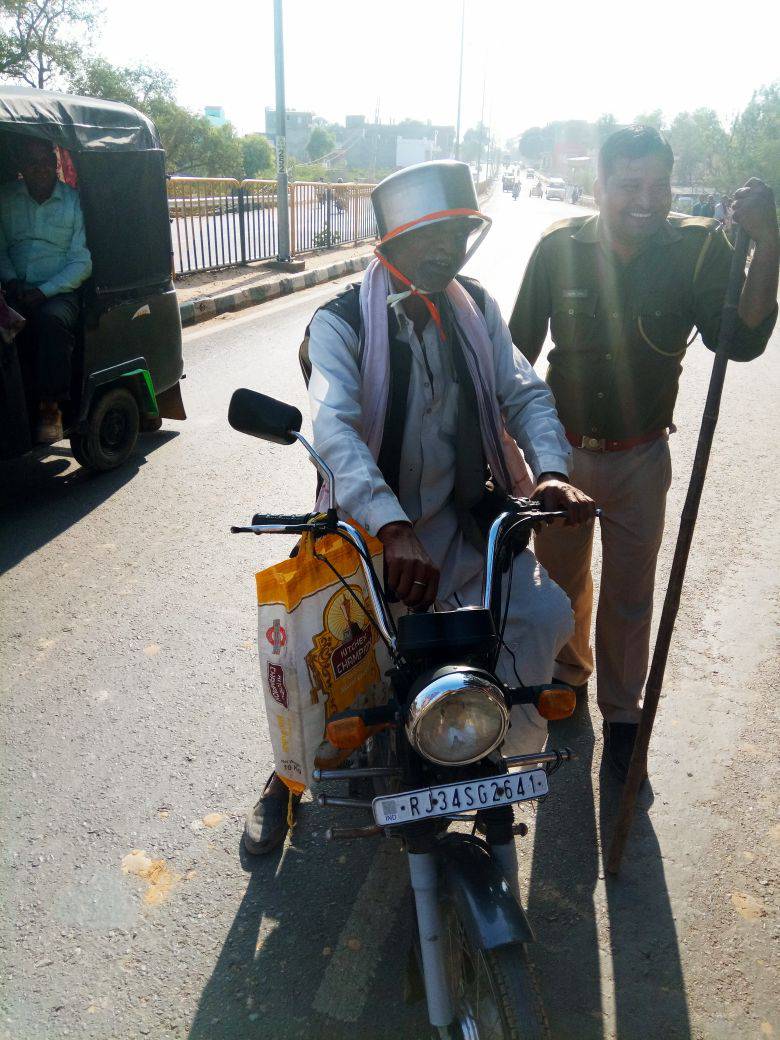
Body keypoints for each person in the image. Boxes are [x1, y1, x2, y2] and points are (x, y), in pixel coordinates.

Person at [244, 159, 596, 854]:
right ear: (391, 243)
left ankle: (486, 761)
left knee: (543, 615)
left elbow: (522, 393)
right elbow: (336, 430)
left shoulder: (477, 308)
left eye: (459, 231)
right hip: (372, 537)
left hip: (465, 529)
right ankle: (284, 783)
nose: (447, 248)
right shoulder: (343, 322)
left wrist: (550, 472)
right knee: (331, 672)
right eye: (430, 234)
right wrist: (392, 524)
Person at [508, 125, 778, 781]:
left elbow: (739, 341)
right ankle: (568, 674)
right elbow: (513, 353)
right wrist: (514, 458)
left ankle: (623, 716)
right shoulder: (557, 249)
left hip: (640, 456)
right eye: (630, 185)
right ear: (599, 187)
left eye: (658, 185)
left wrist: (769, 242)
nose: (646, 200)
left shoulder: (696, 249)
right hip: (560, 458)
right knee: (561, 585)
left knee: (630, 597)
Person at [0, 137, 92, 443]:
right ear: (22, 168)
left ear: (55, 166)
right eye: (32, 163)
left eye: (45, 162)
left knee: (50, 323)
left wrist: (43, 292)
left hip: (58, 290)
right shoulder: (6, 198)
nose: (39, 169)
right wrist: (12, 282)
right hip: (12, 285)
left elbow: (81, 262)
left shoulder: (73, 202)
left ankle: (50, 407)